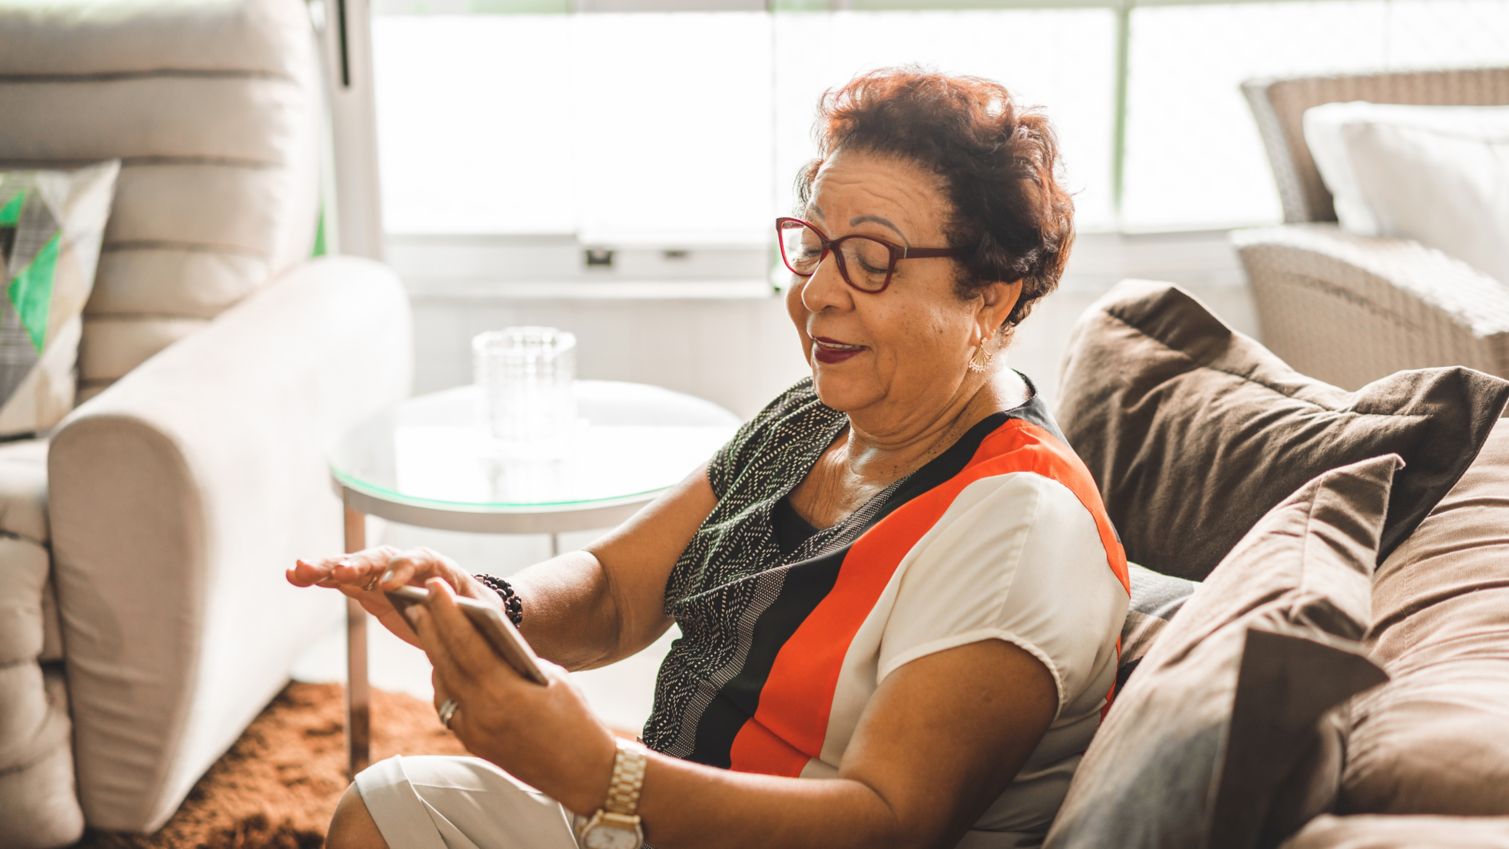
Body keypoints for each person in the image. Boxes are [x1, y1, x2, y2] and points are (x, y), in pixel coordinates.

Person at [288, 67, 1129, 849]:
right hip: (665, 810)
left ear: (990, 297)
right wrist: (486, 606)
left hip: (698, 817)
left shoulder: (1017, 523)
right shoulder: (817, 415)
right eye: (813, 246)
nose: (816, 293)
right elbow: (619, 593)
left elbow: (889, 820)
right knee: (385, 805)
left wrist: (596, 771)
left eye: (871, 260)